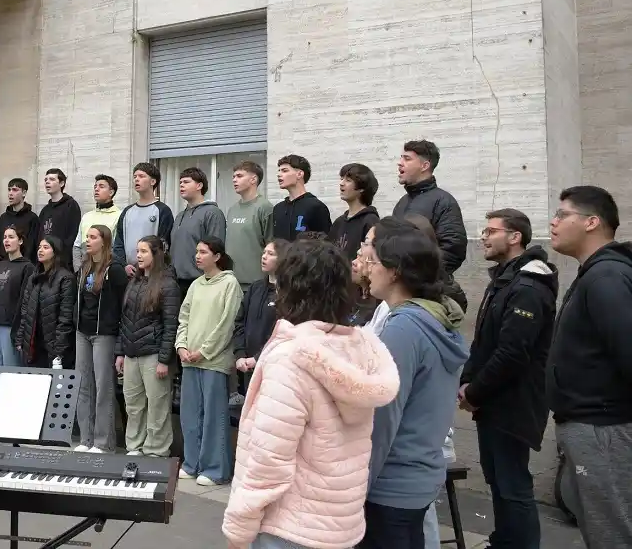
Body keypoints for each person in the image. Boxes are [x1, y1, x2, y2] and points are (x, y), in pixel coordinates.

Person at [223, 239, 400, 549]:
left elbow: (268, 461)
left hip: (289, 528)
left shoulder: (290, 358)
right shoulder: (360, 348)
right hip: (340, 524)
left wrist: (239, 531)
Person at [360, 225, 468, 549]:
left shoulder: (403, 329)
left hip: (390, 487)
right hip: (416, 480)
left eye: (374, 260)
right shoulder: (430, 320)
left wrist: (355, 488)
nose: (368, 267)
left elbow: (382, 421)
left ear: (394, 272)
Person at [459, 209, 556, 549]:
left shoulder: (528, 285)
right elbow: (485, 340)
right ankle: (503, 542)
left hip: (513, 402)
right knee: (499, 480)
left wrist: (476, 390)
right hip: (493, 400)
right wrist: (469, 382)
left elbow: (513, 353)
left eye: (491, 231)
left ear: (515, 237)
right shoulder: (504, 279)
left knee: (513, 484)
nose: (483, 237)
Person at [547, 185, 632, 547]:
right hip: (589, 426)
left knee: (611, 533)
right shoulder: (594, 273)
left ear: (591, 222)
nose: (552, 222)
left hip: (602, 428)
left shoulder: (606, 277)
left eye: (562, 214)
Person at [176, 236, 242, 486]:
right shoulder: (195, 285)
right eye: (196, 252)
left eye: (203, 252)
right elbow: (184, 317)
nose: (198, 256)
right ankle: (192, 463)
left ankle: (216, 469)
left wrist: (203, 351)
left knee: (214, 416)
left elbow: (226, 324)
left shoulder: (230, 284)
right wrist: (181, 346)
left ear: (217, 256)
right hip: (189, 360)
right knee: (190, 416)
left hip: (213, 361)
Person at [116, 235, 179, 457]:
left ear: (156, 254)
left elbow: (171, 325)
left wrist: (164, 359)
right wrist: (120, 352)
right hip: (131, 353)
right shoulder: (134, 282)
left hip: (154, 355)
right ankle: (135, 445)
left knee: (157, 406)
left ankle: (157, 449)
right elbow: (124, 319)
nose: (138, 256)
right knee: (133, 405)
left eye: (143, 251)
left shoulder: (168, 284)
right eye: (137, 251)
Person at [74, 225, 128, 453]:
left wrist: (120, 343)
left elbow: (123, 305)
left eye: (93, 237)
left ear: (104, 241)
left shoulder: (114, 269)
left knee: (103, 386)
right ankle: (86, 439)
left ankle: (103, 442)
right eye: (87, 236)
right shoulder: (85, 265)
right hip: (82, 331)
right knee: (83, 385)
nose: (88, 240)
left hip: (104, 333)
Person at [392, 140, 468, 279]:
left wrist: (420, 277)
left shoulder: (444, 201)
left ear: (424, 166)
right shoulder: (402, 202)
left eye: (407, 158)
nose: (400, 162)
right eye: (401, 157)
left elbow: (453, 251)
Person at [13, 236, 76, 368]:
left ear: (56, 252)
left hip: (54, 346)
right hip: (33, 343)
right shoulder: (34, 277)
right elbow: (25, 311)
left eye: (46, 247)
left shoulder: (66, 278)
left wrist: (59, 349)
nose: (40, 250)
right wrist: (21, 338)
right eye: (39, 247)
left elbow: (66, 318)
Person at [0, 226, 36, 367]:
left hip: (9, 326)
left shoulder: (27, 267)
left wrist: (20, 330)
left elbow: (26, 300)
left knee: (10, 371)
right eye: (4, 237)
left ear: (20, 241)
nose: (6, 240)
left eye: (11, 237)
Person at [232, 239, 288, 379]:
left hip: (273, 367)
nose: (264, 257)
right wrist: (240, 355)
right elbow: (239, 322)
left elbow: (283, 333)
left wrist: (257, 358)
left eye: (270, 254)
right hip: (247, 365)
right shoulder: (255, 288)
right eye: (264, 253)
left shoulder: (288, 293)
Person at [170, 167, 227, 297]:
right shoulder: (179, 216)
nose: (181, 186)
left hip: (200, 282)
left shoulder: (212, 213)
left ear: (199, 185)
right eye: (180, 183)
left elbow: (216, 249)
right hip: (175, 282)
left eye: (186, 182)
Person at [112, 162, 174, 274]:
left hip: (153, 273)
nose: (136, 179)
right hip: (128, 273)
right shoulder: (127, 211)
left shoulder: (163, 210)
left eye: (141, 176)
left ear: (153, 181)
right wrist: (124, 265)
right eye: (135, 177)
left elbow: (164, 243)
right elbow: (119, 243)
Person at [225, 161, 274, 291]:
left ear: (253, 179)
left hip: (256, 284)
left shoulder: (265, 207)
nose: (234, 180)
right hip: (231, 283)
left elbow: (272, 245)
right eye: (233, 177)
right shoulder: (232, 209)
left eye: (239, 176)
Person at [273, 154, 331, 241]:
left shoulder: (315, 206)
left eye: (284, 171)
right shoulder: (278, 209)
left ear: (299, 174)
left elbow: (326, 243)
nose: (279, 174)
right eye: (279, 171)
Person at [328, 163, 380, 261]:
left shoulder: (370, 221)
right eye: (341, 178)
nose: (341, 183)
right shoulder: (339, 222)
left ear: (361, 188)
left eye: (348, 180)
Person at [73, 175, 122, 270]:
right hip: (84, 269)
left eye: (101, 186)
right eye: (95, 186)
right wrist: (78, 270)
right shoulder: (86, 216)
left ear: (111, 192)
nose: (96, 189)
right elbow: (77, 246)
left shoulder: (119, 215)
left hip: (106, 269)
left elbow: (117, 248)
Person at [38, 168, 82, 266]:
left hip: (62, 261)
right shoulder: (45, 210)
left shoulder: (71, 205)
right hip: (45, 261)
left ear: (61, 183)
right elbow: (40, 235)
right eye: (46, 180)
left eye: (52, 179)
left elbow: (73, 234)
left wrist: (62, 255)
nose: (47, 182)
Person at [0, 178, 40, 262]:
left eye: (15, 190)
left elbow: (33, 246)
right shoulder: (3, 218)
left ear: (24, 193)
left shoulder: (32, 218)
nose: (10, 193)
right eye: (9, 190)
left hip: (25, 265)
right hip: (4, 265)